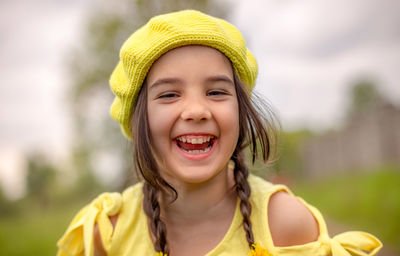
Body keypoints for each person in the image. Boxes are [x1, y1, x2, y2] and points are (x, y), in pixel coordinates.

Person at [57, 10, 382, 256]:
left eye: (216, 92)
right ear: (137, 119)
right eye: (169, 94)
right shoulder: (108, 233)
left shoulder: (283, 223)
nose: (196, 110)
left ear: (241, 111)